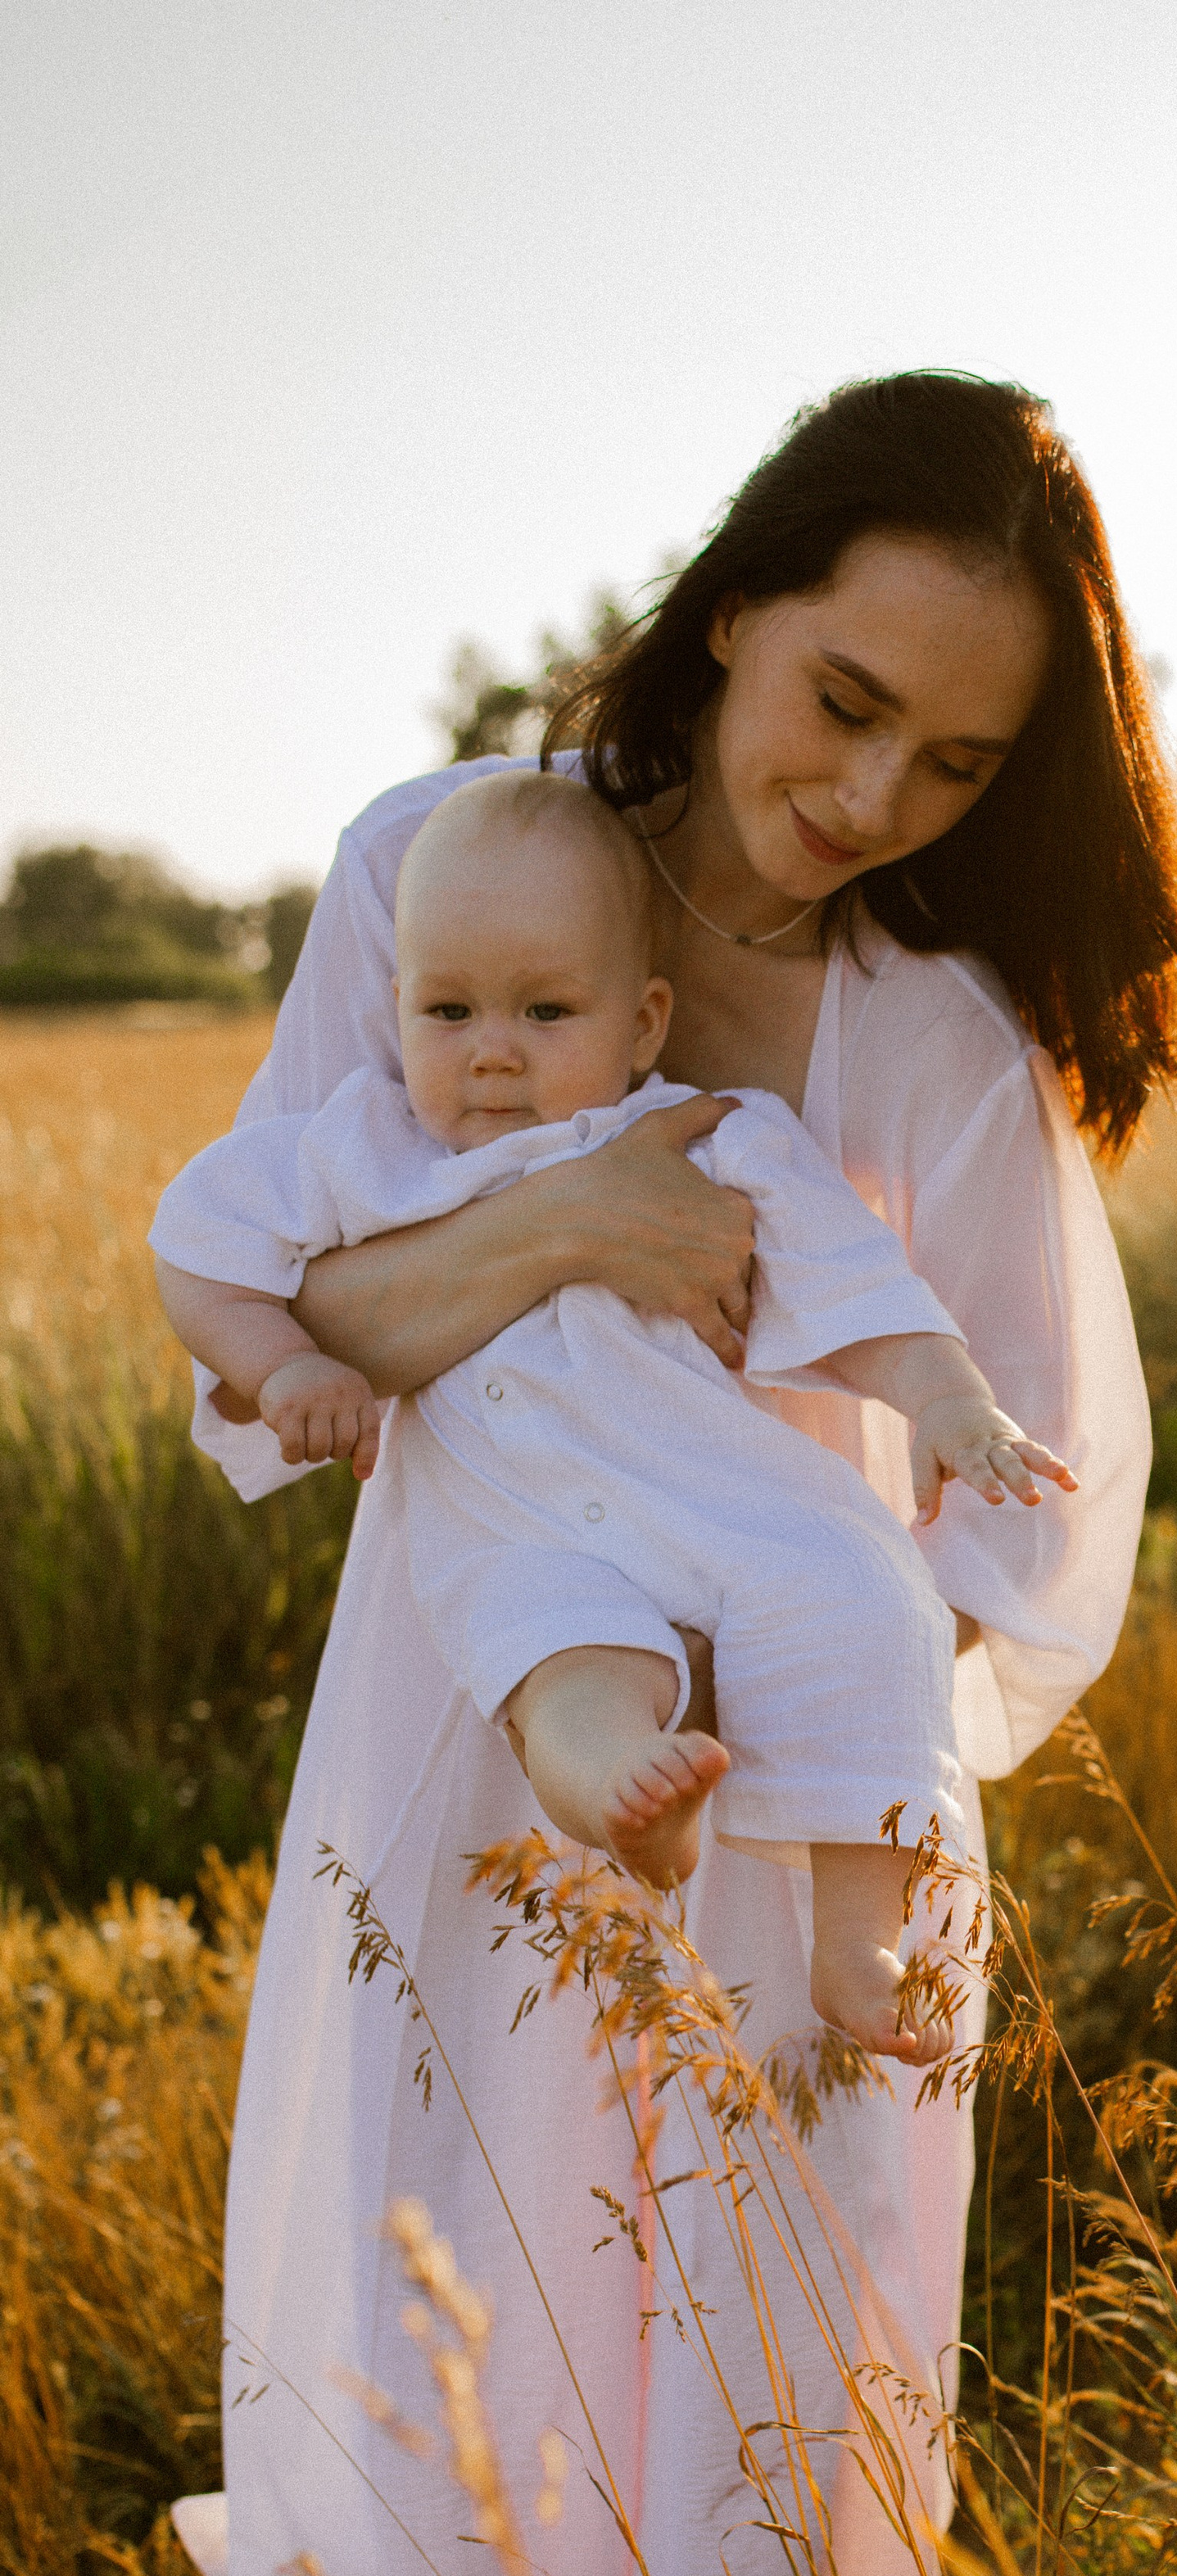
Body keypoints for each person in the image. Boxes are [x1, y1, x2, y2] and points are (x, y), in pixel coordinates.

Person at [168, 370, 1177, 2576]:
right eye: (843, 701)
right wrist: (574, 1223)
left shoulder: (938, 1034)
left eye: (954, 761)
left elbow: (1029, 1513)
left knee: (772, 2384)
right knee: (439, 2315)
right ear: (739, 601)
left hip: (803, 1791)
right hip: (484, 1715)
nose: (869, 795)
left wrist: (811, 1696)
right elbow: (277, 1335)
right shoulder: (440, 866)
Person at [152, 769, 1075, 2058]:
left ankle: (860, 1940)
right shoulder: (363, 1151)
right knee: (570, 1665)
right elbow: (198, 1244)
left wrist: (945, 1397)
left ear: (644, 1024)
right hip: (520, 1532)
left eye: (546, 1011)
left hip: (718, 1498)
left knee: (874, 1595)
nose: (491, 1049)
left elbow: (852, 1280)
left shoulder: (711, 1139)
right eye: (447, 1009)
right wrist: (285, 1366)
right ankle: (622, 1797)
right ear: (399, 1006)